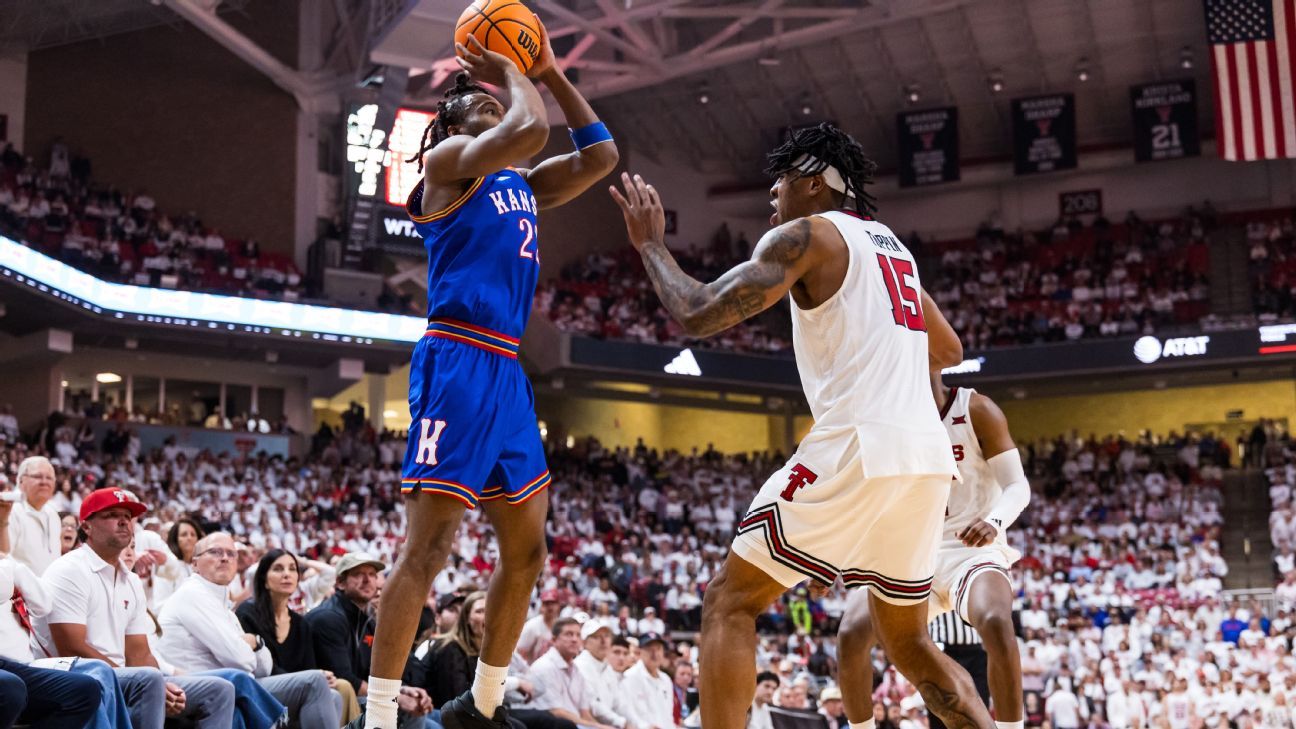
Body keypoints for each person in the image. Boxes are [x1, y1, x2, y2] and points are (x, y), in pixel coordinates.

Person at [610, 124, 988, 729]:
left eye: (781, 180)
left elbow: (698, 312)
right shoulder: (893, 247)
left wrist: (651, 245)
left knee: (729, 601)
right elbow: (947, 348)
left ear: (813, 183)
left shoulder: (807, 235)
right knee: (912, 644)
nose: (773, 193)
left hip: (858, 440)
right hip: (924, 457)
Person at [367, 15, 618, 729]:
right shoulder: (447, 165)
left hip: (508, 371)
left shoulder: (522, 184)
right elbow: (528, 129)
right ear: (452, 126)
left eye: (492, 100)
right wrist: (511, 66)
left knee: (528, 549)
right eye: (477, 104)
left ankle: (481, 703)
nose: (491, 103)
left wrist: (551, 72)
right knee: (429, 547)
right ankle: (377, 715)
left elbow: (600, 156)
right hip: (457, 357)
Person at [838, 372, 1029, 729]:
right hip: (910, 554)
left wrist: (995, 521)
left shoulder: (975, 409)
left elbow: (1017, 485)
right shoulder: (882, 418)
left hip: (969, 550)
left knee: (996, 620)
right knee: (850, 634)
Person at [43, 487, 237, 729]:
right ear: (87, 526)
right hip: (76, 676)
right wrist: (151, 681)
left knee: (220, 690)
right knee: (148, 681)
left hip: (125, 677)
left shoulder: (131, 580)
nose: (124, 521)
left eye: (127, 516)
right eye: (111, 515)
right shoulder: (69, 570)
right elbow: (71, 647)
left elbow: (140, 654)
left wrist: (164, 684)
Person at [155, 531, 340, 729]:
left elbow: (264, 667)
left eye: (231, 553)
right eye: (215, 552)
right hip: (202, 687)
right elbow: (240, 660)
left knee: (333, 696)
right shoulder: (193, 594)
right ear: (195, 563)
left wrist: (256, 643)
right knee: (314, 682)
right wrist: (249, 648)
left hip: (236, 684)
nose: (224, 558)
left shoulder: (223, 606)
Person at [0, 492, 104, 729]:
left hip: (10, 660)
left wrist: (13, 569)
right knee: (10, 688)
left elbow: (43, 604)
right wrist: (12, 571)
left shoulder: (10, 566)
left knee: (85, 688)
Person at [527, 618, 615, 729]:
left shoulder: (576, 670)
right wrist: (598, 727)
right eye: (569, 634)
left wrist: (599, 726)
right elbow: (556, 713)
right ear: (554, 640)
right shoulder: (544, 667)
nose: (574, 639)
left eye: (578, 635)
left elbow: (584, 713)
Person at [573, 620, 633, 729]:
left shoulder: (607, 668)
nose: (603, 641)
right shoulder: (580, 666)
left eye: (606, 636)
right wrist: (622, 723)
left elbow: (619, 704)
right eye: (596, 637)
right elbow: (593, 705)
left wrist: (640, 725)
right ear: (584, 642)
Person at [6, 457, 61, 575]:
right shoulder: (10, 511)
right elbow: (3, 559)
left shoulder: (53, 515)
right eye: (37, 476)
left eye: (49, 478)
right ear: (21, 481)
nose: (44, 482)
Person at [619, 634, 675, 729]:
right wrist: (644, 726)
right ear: (640, 651)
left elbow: (668, 716)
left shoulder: (666, 679)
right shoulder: (629, 677)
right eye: (650, 649)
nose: (655, 653)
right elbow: (626, 712)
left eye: (658, 649)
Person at [518, 590, 562, 663]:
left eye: (553, 603)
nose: (550, 607)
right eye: (546, 603)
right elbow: (520, 652)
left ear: (558, 605)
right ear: (541, 606)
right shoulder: (531, 626)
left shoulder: (561, 626)